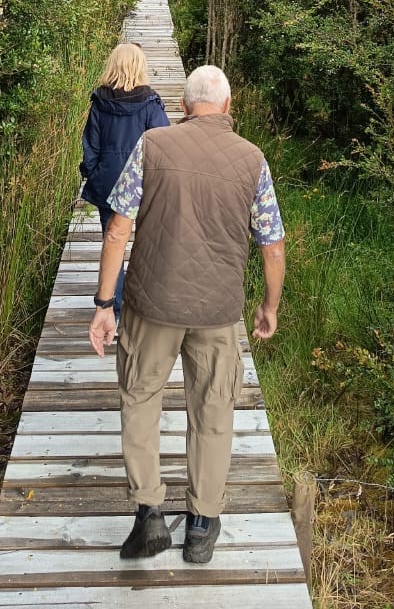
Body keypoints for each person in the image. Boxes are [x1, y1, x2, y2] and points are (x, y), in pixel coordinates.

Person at [88, 64, 286, 566]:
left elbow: (117, 230)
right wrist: (269, 306)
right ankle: (201, 526)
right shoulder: (253, 160)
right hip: (217, 313)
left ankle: (150, 514)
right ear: (227, 106)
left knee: (139, 398)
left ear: (182, 105)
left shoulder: (153, 145)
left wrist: (104, 303)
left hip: (151, 305)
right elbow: (273, 246)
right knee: (214, 409)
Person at [79, 42, 170, 322]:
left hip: (108, 183)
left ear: (113, 65)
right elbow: (164, 146)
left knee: (113, 239)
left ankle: (115, 306)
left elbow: (90, 148)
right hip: (144, 186)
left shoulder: (99, 103)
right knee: (147, 242)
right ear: (140, 67)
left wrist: (92, 174)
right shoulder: (151, 104)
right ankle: (145, 304)